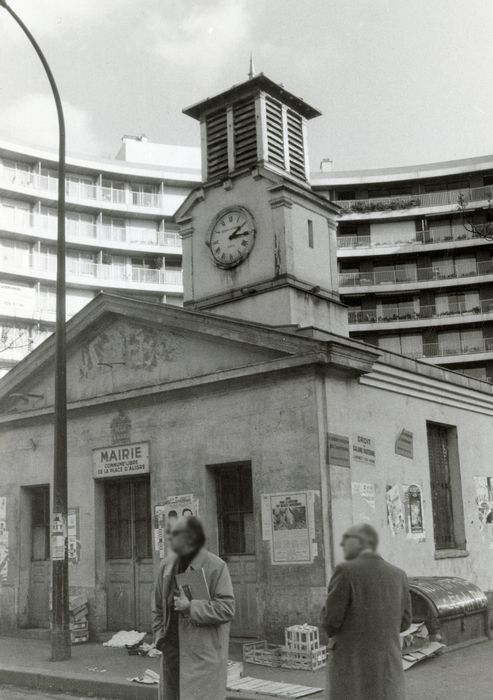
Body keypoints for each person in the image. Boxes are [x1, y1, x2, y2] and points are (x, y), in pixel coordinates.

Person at [321, 523, 412, 700]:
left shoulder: (345, 571)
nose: (342, 544)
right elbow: (406, 621)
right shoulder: (398, 574)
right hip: (387, 665)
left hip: (352, 664)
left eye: (347, 539)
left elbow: (331, 621)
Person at [152, 516, 235, 700]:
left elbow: (227, 608)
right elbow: (157, 607)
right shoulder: (167, 566)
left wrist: (191, 607)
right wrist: (160, 638)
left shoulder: (216, 566)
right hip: (172, 653)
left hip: (202, 656)